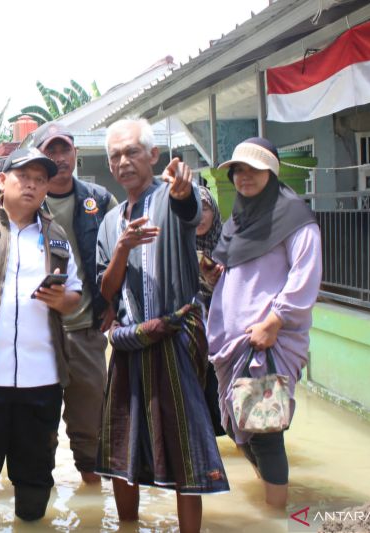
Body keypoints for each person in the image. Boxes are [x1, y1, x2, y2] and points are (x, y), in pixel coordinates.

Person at [95, 118, 228, 533]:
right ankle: (127, 526)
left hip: (174, 341)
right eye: (115, 155)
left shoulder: (171, 199)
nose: (123, 162)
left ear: (152, 156)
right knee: (123, 448)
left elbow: (193, 209)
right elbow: (106, 289)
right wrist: (121, 249)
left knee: (185, 451)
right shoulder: (110, 221)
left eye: (132, 151)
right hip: (130, 340)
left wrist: (185, 191)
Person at [0, 148, 83, 525]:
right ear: (3, 181)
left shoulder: (56, 236)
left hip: (42, 380)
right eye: (25, 177)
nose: (33, 185)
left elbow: (75, 296)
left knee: (36, 478)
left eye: (41, 180)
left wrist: (63, 299)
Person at [206, 137, 321, 508]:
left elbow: (305, 274)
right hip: (232, 342)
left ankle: (277, 517)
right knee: (243, 429)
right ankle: (270, 499)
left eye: (254, 169)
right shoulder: (238, 220)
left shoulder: (293, 218)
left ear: (271, 172)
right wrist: (214, 275)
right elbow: (239, 273)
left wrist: (275, 320)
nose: (244, 177)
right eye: (238, 170)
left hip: (266, 342)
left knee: (265, 430)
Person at [33, 122, 118, 484]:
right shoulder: (25, 202)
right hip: (37, 334)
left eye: (64, 150)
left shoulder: (100, 201)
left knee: (91, 426)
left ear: (75, 154)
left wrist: (113, 305)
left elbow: (122, 257)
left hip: (86, 330)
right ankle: (38, 500)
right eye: (50, 152)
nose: (59, 158)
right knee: (36, 429)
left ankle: (91, 503)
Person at [195, 185, 226, 437]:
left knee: (223, 390)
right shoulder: (178, 246)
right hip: (193, 333)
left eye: (205, 208)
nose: (200, 215)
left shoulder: (229, 243)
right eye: (194, 208)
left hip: (225, 332)